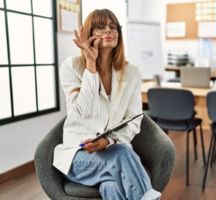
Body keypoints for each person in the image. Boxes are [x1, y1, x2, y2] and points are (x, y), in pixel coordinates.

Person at [53, 9, 161, 200]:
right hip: (78, 157)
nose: (108, 31)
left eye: (113, 27)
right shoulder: (71, 66)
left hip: (114, 152)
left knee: (111, 185)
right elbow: (85, 112)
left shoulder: (132, 72)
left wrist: (109, 141)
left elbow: (134, 120)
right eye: (100, 27)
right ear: (88, 33)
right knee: (122, 153)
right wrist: (91, 65)